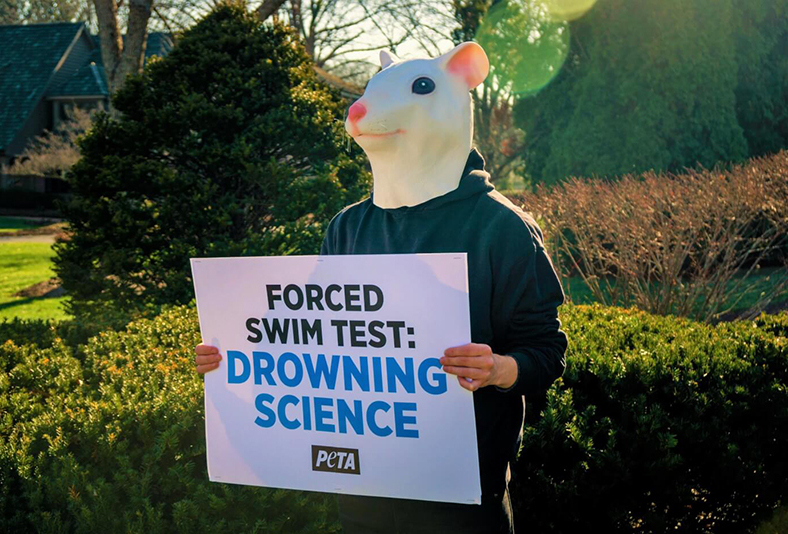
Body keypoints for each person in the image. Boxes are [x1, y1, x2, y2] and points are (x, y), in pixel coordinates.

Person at [195, 41, 568, 533]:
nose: (363, 108)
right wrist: (238, 358)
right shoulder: (347, 228)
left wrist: (500, 368)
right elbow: (317, 336)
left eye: (419, 88)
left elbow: (546, 351)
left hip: (461, 500)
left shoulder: (502, 228)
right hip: (364, 489)